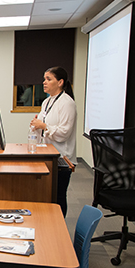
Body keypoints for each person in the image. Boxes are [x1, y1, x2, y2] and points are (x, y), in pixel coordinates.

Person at [30, 66, 77, 217]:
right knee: (47, 195)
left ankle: (59, 226)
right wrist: (37, 125)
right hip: (48, 154)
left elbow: (64, 133)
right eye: (44, 79)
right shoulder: (47, 101)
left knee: (58, 197)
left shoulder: (67, 103)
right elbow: (44, 126)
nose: (44, 82)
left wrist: (43, 126)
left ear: (60, 82)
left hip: (62, 158)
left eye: (49, 79)